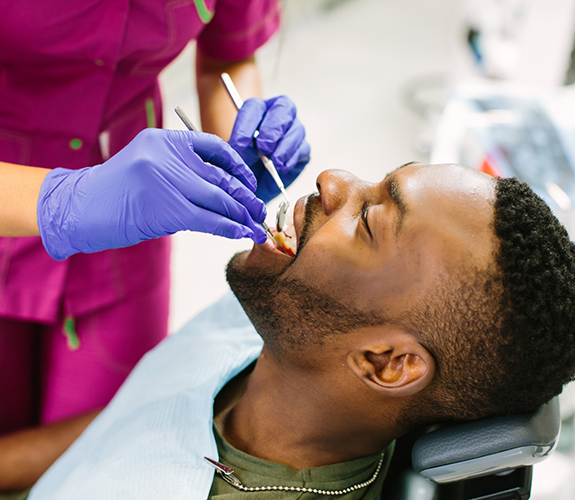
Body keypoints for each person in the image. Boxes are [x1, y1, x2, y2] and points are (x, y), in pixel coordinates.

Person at [17, 162, 575, 500]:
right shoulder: (287, 325)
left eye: (367, 220)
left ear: (386, 362)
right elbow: (140, 419)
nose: (332, 180)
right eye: (376, 181)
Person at [0, 0, 311, 489]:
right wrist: (64, 200)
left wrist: (237, 134)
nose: (331, 190)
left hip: (133, 214)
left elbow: (227, 56)